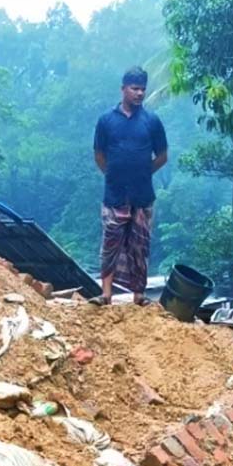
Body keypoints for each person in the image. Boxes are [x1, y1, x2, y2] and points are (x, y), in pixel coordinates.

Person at [91, 66, 168, 306]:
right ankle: (106, 295)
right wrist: (113, 175)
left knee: (140, 245)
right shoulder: (106, 121)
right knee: (110, 243)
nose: (139, 93)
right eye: (135, 89)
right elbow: (99, 155)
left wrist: (144, 173)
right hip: (114, 194)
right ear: (123, 89)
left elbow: (163, 155)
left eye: (143, 89)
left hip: (143, 195)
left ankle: (139, 296)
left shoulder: (151, 121)